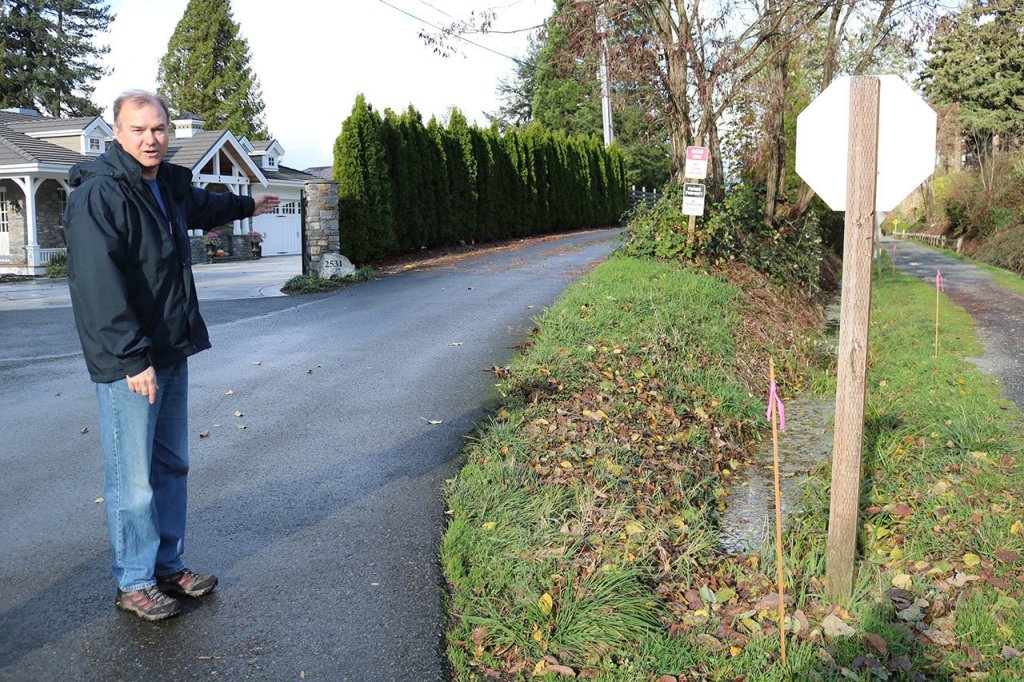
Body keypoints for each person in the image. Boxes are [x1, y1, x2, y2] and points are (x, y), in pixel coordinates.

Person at [65, 90, 279, 621]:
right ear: (116, 133)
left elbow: (205, 204)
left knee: (171, 464)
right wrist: (133, 359)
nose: (150, 139)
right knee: (132, 477)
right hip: (131, 362)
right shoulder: (100, 195)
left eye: (158, 128)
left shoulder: (164, 185)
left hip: (170, 350)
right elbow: (99, 288)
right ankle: (134, 581)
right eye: (138, 130)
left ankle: (167, 565)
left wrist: (249, 204)